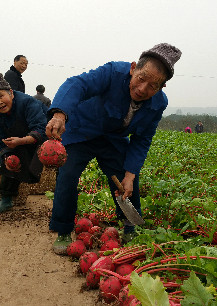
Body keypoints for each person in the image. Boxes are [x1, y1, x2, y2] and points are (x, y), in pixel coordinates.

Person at [46, 43, 182, 255]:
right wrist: (59, 114)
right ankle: (63, 229)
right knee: (68, 175)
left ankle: (130, 225)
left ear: (162, 87)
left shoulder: (158, 104)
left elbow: (142, 139)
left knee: (127, 180)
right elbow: (77, 84)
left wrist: (130, 174)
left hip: (112, 138)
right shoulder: (112, 73)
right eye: (141, 78)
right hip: (83, 129)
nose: (143, 89)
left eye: (153, 86)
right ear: (133, 68)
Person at [0, 72, 48, 213]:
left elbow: (41, 130)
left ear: (11, 93)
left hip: (45, 135)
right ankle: (6, 200)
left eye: (1, 96)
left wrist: (22, 141)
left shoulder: (27, 102)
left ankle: (59, 194)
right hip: (21, 138)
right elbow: (1, 141)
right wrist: (7, 157)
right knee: (9, 158)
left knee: (50, 154)